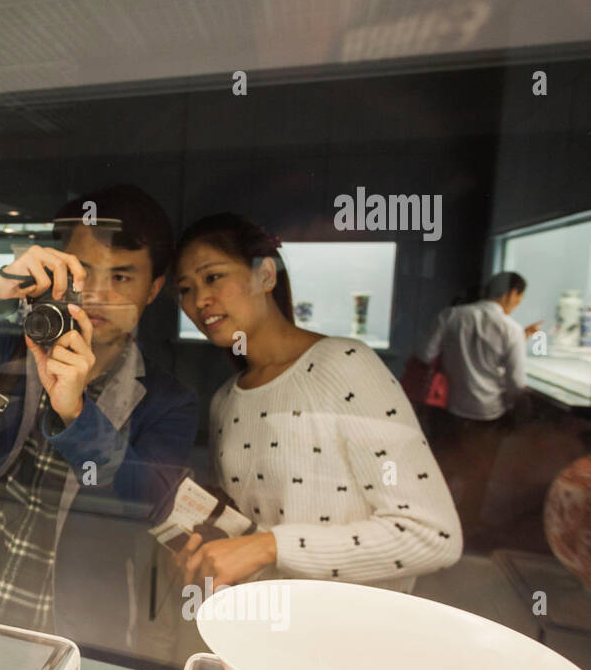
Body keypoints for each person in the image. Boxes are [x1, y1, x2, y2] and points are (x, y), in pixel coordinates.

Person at [0, 185, 198, 639]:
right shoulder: (16, 351)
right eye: (83, 272)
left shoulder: (169, 401)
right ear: (57, 269)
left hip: (77, 630)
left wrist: (76, 416)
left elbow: (147, 503)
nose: (96, 295)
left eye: (122, 278)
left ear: (152, 290)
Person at [169, 213, 461, 598]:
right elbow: (255, 533)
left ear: (266, 275)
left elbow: (431, 534)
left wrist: (269, 545)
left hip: (348, 637)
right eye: (185, 289)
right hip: (263, 627)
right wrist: (215, 536)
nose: (198, 301)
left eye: (212, 277)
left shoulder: (344, 364)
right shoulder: (226, 400)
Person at [416, 271, 541, 537]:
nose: (517, 303)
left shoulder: (451, 316)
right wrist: (512, 408)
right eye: (519, 298)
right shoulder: (511, 329)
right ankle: (467, 528)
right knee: (479, 475)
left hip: (448, 410)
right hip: (489, 414)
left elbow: (425, 354)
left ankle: (430, 523)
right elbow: (516, 383)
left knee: (442, 467)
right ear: (511, 294)